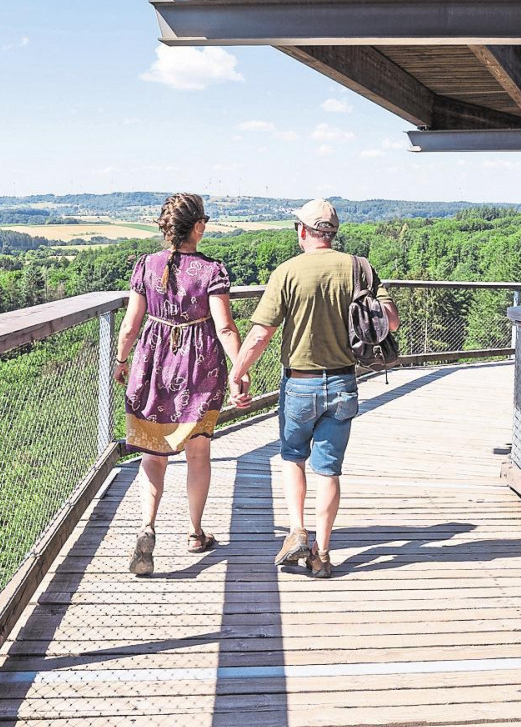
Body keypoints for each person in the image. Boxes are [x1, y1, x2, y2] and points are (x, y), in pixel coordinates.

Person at [227, 199, 399, 578]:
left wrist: (237, 373)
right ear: (332, 233)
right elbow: (392, 320)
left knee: (293, 458)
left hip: (300, 384)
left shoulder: (287, 272)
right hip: (343, 381)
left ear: (302, 231)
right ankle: (321, 553)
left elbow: (261, 334)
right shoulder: (360, 268)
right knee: (329, 470)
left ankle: (296, 530)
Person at [114, 192, 246, 576]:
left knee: (152, 455)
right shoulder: (212, 271)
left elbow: (129, 326)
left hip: (152, 365)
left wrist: (121, 361)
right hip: (198, 368)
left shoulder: (145, 265)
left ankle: (147, 526)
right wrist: (240, 370)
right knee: (198, 452)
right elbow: (224, 327)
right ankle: (194, 532)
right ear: (199, 227)